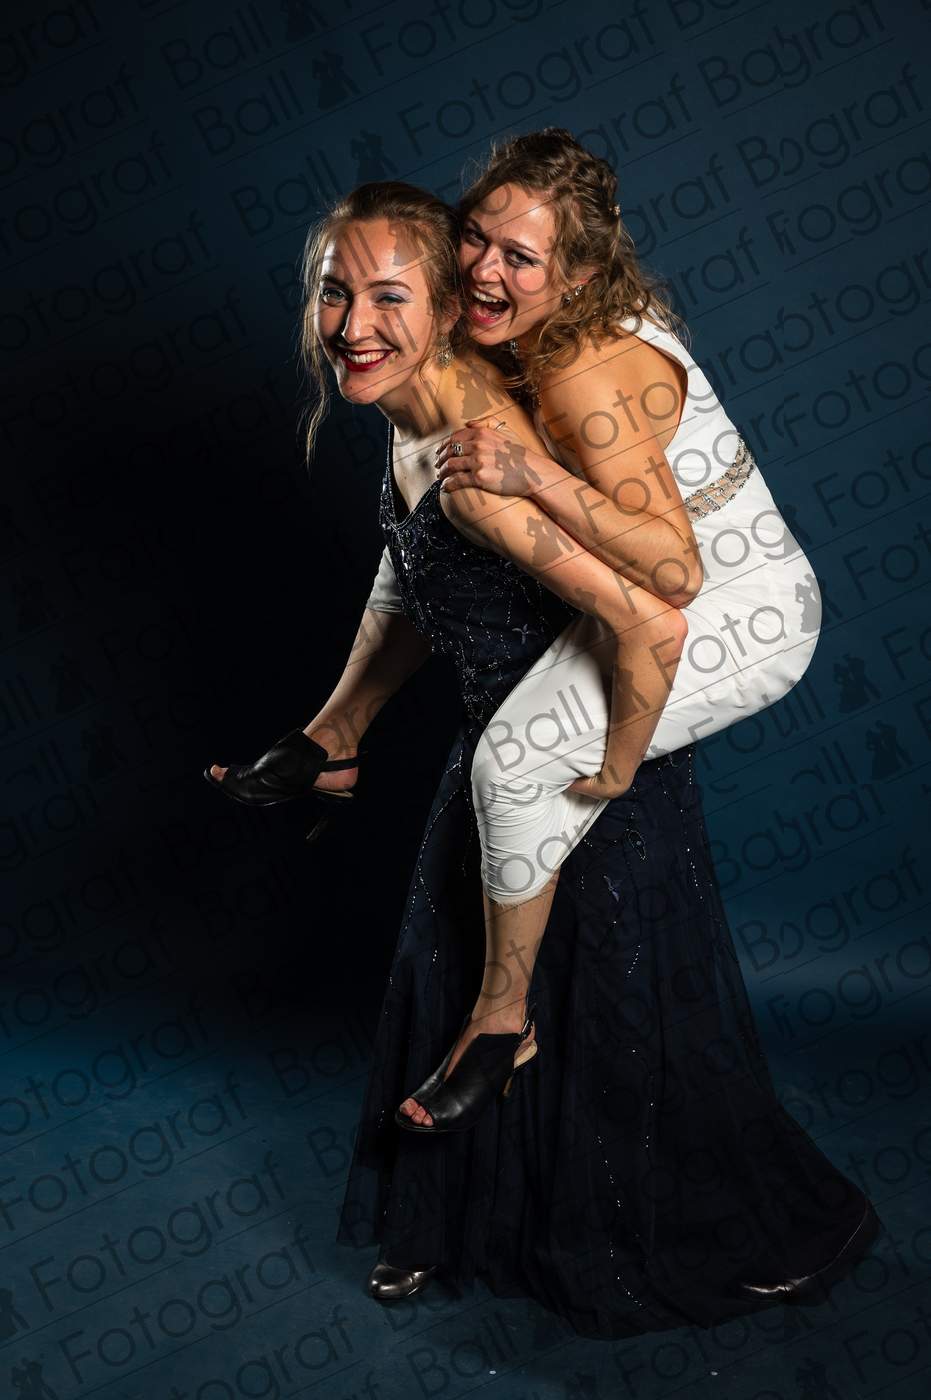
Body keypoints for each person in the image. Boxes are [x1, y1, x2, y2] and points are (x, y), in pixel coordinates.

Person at [206, 179, 880, 1336]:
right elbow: (411, 580)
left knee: (605, 1007)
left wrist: (609, 765)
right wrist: (336, 728)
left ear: (442, 309)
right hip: (497, 744)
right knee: (451, 958)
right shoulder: (414, 419)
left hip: (585, 747)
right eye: (333, 293)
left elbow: (649, 611)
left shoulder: (483, 453)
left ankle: (723, 1233)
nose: (351, 324)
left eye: (386, 297)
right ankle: (454, 1226)